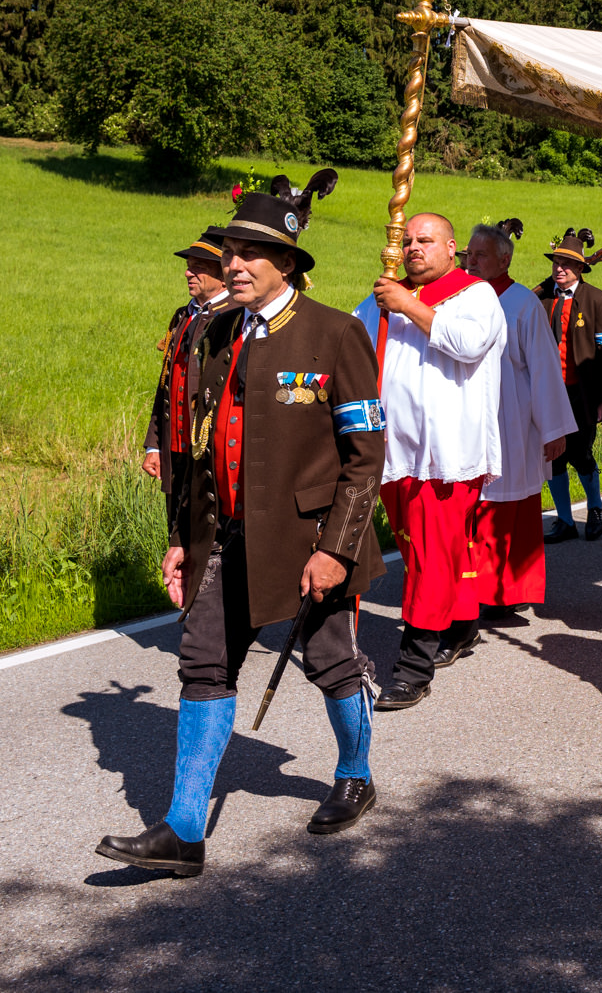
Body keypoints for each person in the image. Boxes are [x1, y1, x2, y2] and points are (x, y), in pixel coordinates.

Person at [97, 173, 388, 877]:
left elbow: (365, 457)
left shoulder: (336, 333)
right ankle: (183, 829)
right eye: (230, 251)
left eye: (250, 252)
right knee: (203, 663)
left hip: (309, 540)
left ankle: (355, 773)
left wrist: (336, 550)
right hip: (223, 537)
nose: (233, 263)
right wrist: (180, 537)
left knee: (331, 663)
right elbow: (195, 448)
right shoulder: (217, 332)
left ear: (286, 261)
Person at [354, 213, 508, 711]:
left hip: (447, 455)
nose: (414, 248)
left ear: (451, 247)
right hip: (392, 451)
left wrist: (408, 306)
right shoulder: (384, 298)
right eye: (408, 241)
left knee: (428, 556)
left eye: (425, 240)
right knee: (420, 547)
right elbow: (350, 351)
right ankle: (461, 626)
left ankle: (413, 669)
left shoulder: (475, 295)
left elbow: (468, 346)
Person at [465, 221, 577, 623]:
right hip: (465, 422)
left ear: (504, 260)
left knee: (506, 508)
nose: (471, 261)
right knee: (468, 507)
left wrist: (553, 429)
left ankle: (501, 592)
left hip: (510, 421)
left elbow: (545, 369)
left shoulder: (522, 304)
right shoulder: (456, 298)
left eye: (480, 255)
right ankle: (471, 588)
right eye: (468, 254)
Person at [535, 230, 602, 542]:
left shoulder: (598, 300)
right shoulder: (541, 299)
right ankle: (565, 521)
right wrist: (548, 283)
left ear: (581, 268)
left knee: (581, 453)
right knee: (552, 457)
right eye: (556, 262)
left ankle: (595, 508)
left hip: (581, 394)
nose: (559, 268)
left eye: (567, 264)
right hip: (548, 394)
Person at [142, 227, 229, 486]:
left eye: (198, 267)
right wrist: (154, 445)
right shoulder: (183, 316)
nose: (188, 273)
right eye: (189, 266)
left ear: (224, 274)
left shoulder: (236, 319)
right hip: (175, 452)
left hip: (214, 455)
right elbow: (166, 385)